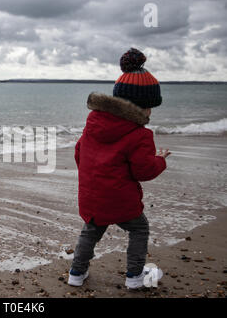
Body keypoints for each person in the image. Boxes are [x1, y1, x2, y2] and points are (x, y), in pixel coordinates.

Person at [69, 48, 171, 289]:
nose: (150, 113)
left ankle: (76, 273)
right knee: (139, 228)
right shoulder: (140, 134)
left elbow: (79, 153)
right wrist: (161, 160)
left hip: (92, 195)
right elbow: (143, 171)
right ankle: (135, 276)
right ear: (142, 108)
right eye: (150, 108)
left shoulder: (93, 123)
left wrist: (93, 174)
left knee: (91, 231)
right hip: (122, 200)